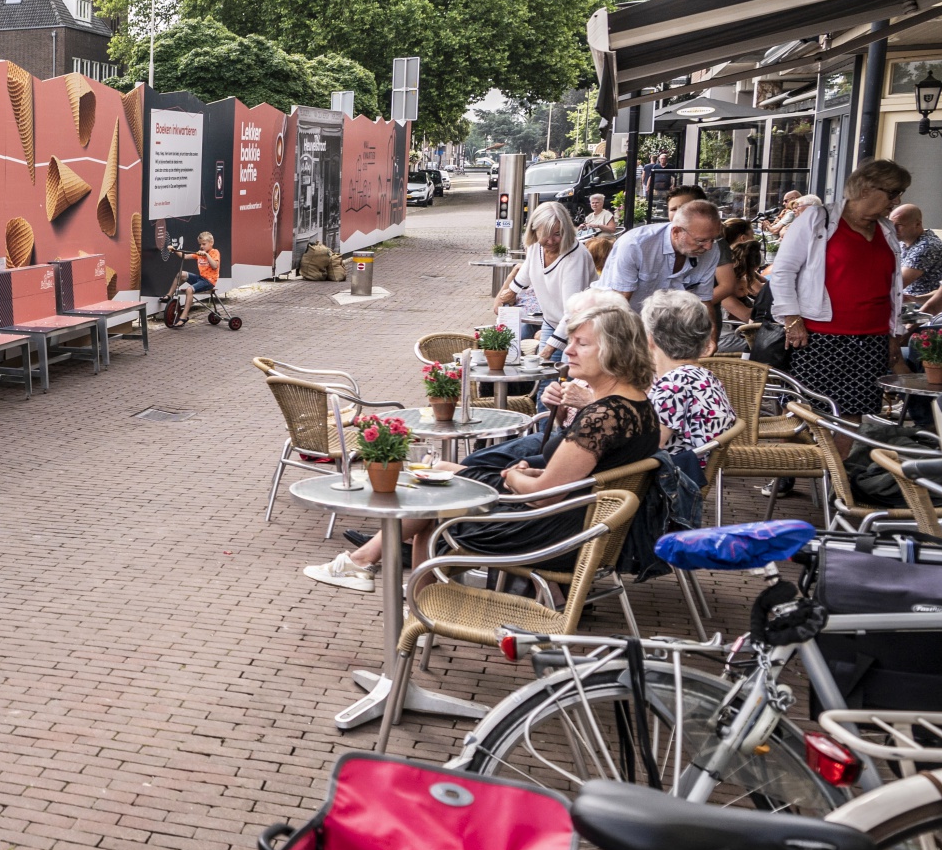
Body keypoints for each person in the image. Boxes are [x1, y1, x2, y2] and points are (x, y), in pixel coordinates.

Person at [305, 300, 658, 593]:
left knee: (434, 498)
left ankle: (406, 602)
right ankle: (400, 594)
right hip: (584, 526)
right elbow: (578, 477)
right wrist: (531, 473)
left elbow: (542, 496)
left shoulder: (604, 415)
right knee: (438, 484)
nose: (568, 349)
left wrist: (514, 476)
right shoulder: (638, 407)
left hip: (550, 532)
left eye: (582, 343)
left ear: (616, 351)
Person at [767, 159, 909, 437]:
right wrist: (791, 318)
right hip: (819, 334)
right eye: (892, 193)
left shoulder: (886, 229)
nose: (897, 201)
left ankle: (835, 476)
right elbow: (783, 271)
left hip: (873, 337)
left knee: (853, 411)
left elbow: (893, 287)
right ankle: (788, 470)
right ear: (866, 189)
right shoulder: (819, 218)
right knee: (803, 407)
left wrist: (894, 333)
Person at [638, 290, 737, 462]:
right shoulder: (704, 377)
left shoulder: (674, 384)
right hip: (692, 475)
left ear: (650, 339)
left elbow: (645, 449)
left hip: (666, 480)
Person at [594, 198, 724, 311]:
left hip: (662, 325)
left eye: (713, 239)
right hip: (617, 316)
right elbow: (619, 304)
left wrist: (710, 339)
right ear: (676, 232)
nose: (709, 246)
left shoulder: (711, 249)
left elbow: (703, 302)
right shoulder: (635, 245)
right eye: (701, 241)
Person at [509, 203, 595, 360]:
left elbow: (573, 311)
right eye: (545, 235)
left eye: (557, 233)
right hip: (552, 321)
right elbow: (527, 270)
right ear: (534, 232)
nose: (550, 241)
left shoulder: (575, 257)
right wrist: (510, 292)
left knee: (566, 376)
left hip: (581, 327)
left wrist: (548, 350)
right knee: (544, 381)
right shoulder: (535, 246)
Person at [892, 204, 942, 303]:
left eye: (898, 225)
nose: (893, 229)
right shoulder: (903, 243)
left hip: (926, 308)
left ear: (917, 224)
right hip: (910, 303)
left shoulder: (927, 246)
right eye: (891, 224)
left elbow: (896, 284)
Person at [170, 231, 221, 318]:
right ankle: (169, 295)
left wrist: (206, 255)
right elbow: (184, 256)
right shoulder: (199, 253)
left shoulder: (214, 252)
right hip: (201, 279)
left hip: (209, 282)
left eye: (204, 244)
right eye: (200, 244)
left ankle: (184, 316)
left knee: (189, 290)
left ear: (211, 243)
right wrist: (174, 250)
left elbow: (215, 266)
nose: (201, 246)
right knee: (181, 274)